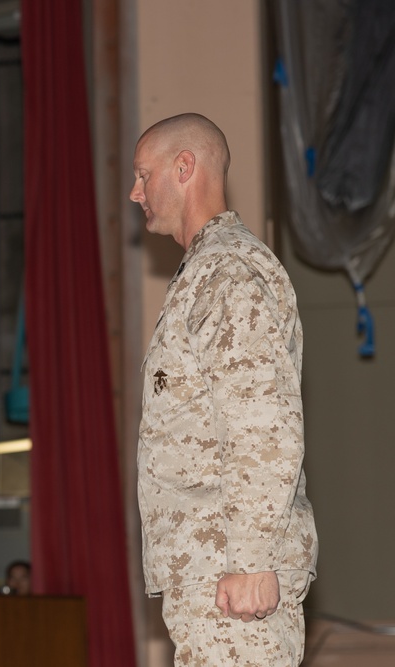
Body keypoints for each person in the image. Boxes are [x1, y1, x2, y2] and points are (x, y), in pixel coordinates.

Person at [132, 113, 318, 665]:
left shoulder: (227, 271)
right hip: (210, 575)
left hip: (232, 579)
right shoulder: (203, 273)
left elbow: (263, 423)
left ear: (184, 168)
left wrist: (252, 560)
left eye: (144, 175)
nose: (134, 191)